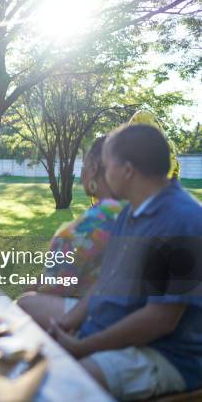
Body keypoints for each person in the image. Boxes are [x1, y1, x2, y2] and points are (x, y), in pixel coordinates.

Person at [48, 124, 202, 401]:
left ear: (127, 170)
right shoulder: (131, 212)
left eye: (106, 166)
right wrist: (66, 324)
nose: (104, 174)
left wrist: (84, 347)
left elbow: (160, 320)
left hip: (165, 354)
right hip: (111, 332)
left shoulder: (183, 220)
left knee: (67, 383)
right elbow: (106, 282)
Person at [17, 137, 122, 330]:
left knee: (25, 303)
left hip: (104, 319)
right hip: (132, 310)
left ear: (94, 170)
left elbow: (53, 288)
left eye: (85, 165)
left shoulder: (82, 230)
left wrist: (30, 289)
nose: (81, 172)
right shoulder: (141, 211)